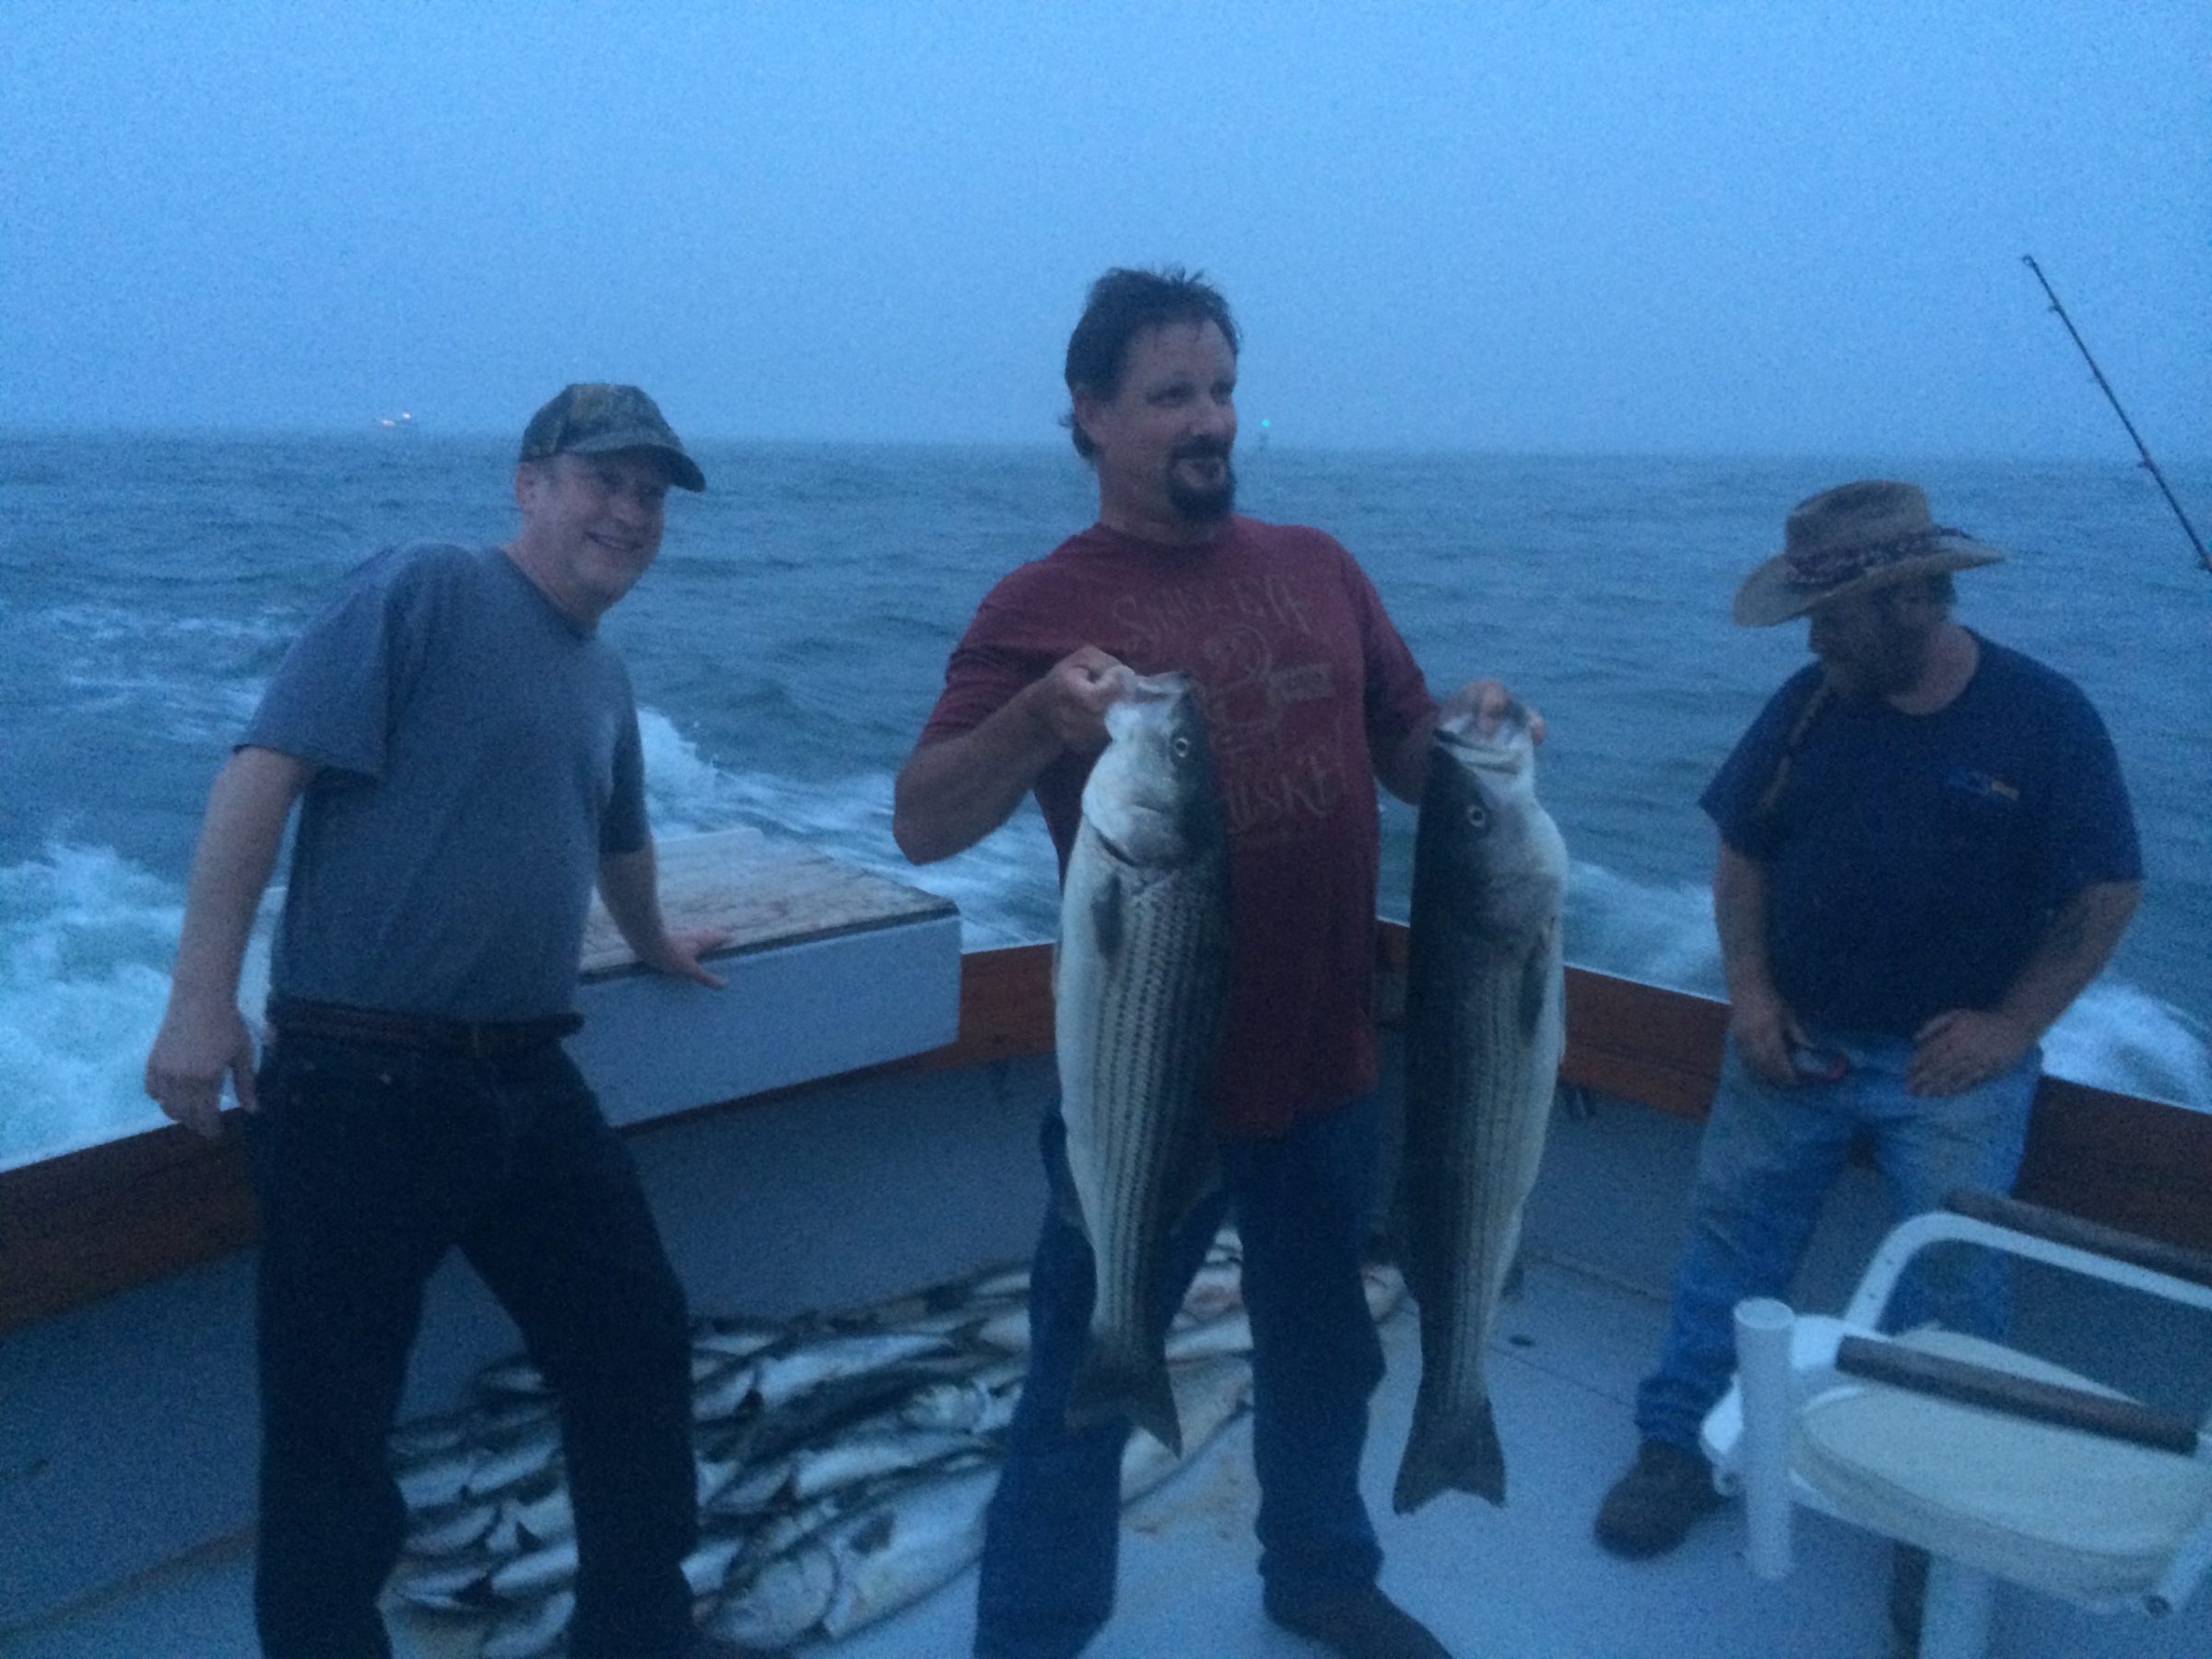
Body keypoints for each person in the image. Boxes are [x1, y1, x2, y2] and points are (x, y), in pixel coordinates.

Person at [894, 266, 1530, 1659]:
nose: (1209, 421)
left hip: (1330, 1069)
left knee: (1329, 1354)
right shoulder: (1040, 603)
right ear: (1089, 413)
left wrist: (1472, 734)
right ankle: (1032, 1638)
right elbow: (925, 820)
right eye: (1171, 394)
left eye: (1224, 390)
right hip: (1146, 1091)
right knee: (1082, 1378)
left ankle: (1320, 1572)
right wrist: (1036, 721)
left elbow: (1404, 746)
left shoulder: (1319, 566)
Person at [142, 385, 761, 1659]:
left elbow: (618, 840)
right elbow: (262, 774)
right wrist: (200, 1002)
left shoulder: (604, 675)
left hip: (528, 1077)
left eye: (652, 495)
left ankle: (636, 1635)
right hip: (359, 1077)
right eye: (604, 480)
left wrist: (653, 942)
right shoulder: (426, 587)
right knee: (331, 1435)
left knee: (635, 1345)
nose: (631, 513)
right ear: (529, 484)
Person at [1593, 479, 2143, 1570]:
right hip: (1794, 1040)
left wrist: (2010, 1028)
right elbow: (1741, 855)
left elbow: (2106, 892)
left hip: (1951, 1073)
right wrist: (1752, 993)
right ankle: (1680, 1445)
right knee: (1729, 1245)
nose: (1814, 642)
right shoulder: (1806, 708)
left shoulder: (2046, 719)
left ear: (1913, 602)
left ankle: (1935, 1512)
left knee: (1954, 1284)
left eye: (1832, 618)